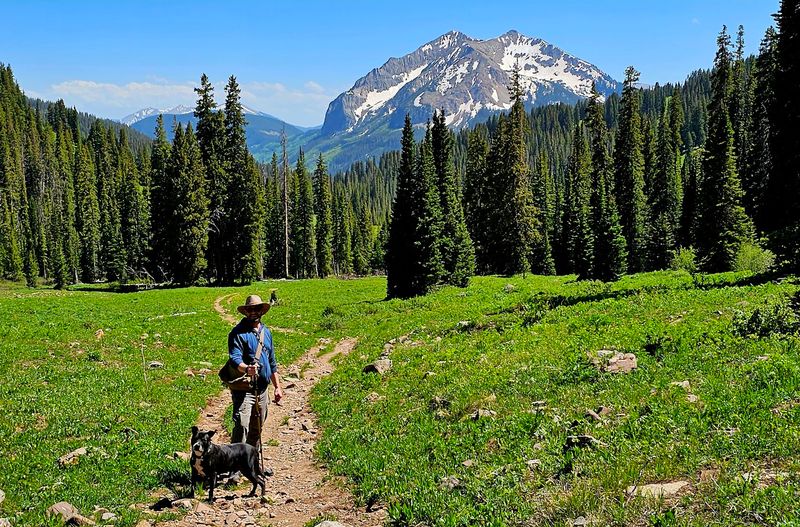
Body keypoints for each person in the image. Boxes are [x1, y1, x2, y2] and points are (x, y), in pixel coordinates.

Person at [228, 294, 283, 449]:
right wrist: (247, 368)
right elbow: (234, 358)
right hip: (245, 390)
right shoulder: (237, 333)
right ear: (245, 311)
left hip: (263, 389)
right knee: (241, 425)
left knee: (257, 427)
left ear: (262, 311)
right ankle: (235, 467)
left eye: (256, 308)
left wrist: (277, 387)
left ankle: (253, 464)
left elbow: (272, 361)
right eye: (250, 309)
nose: (253, 312)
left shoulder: (267, 333)